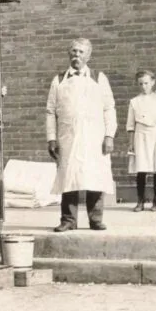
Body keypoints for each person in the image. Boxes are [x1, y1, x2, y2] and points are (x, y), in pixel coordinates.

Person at [46, 38, 117, 231]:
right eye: (74, 51)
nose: (77, 55)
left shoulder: (98, 78)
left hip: (94, 138)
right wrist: (51, 138)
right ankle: (68, 220)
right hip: (68, 137)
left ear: (88, 56)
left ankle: (95, 219)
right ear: (69, 54)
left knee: (94, 176)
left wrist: (109, 135)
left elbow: (109, 108)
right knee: (69, 177)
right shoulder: (59, 80)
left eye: (81, 52)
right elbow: (51, 111)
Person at [125, 70, 156, 212]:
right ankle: (140, 201)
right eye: (141, 84)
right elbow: (131, 125)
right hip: (141, 135)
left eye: (147, 83)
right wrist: (131, 144)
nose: (144, 86)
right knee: (141, 170)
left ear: (153, 82)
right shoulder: (134, 102)